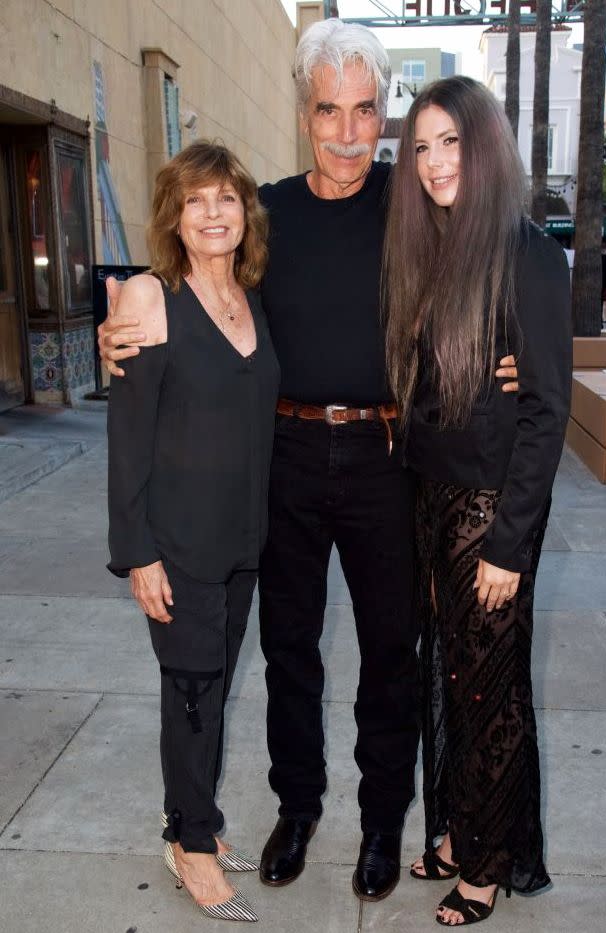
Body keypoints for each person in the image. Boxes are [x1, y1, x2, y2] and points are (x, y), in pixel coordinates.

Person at [98, 19, 519, 904]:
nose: (348, 132)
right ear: (303, 114)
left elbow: (487, 276)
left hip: (385, 455)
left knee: (387, 654)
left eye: (365, 111)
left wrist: (515, 353)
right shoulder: (267, 214)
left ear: (383, 114)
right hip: (281, 457)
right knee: (289, 647)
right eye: (329, 110)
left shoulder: (415, 208)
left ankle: (380, 823)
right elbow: (196, 281)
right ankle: (297, 808)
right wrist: (129, 313)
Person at [383, 77, 572, 926]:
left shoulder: (527, 251)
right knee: (452, 683)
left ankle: (488, 864)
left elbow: (547, 408)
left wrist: (508, 544)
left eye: (450, 142)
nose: (433, 163)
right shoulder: (430, 248)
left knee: (490, 690)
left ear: (485, 144)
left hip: (490, 514)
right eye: (420, 146)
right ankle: (462, 829)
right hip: (431, 503)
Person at [107, 141, 280, 922]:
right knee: (191, 693)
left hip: (243, 540)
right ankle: (190, 845)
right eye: (196, 199)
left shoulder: (251, 296)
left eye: (227, 199)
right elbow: (127, 437)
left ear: (246, 212)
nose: (213, 213)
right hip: (177, 543)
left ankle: (197, 820)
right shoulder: (149, 297)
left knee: (213, 688)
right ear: (174, 216)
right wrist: (137, 550)